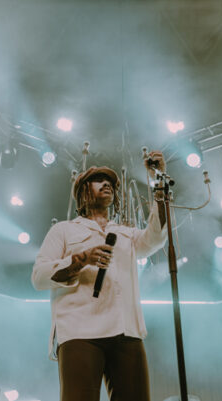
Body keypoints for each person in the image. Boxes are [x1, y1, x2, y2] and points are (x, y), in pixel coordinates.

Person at [31, 151, 168, 401]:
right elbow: (39, 276)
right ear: (83, 192)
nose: (107, 184)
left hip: (126, 330)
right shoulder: (63, 230)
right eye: (98, 180)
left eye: (110, 183)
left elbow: (156, 237)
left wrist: (158, 181)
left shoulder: (126, 233)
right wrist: (81, 259)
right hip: (79, 331)